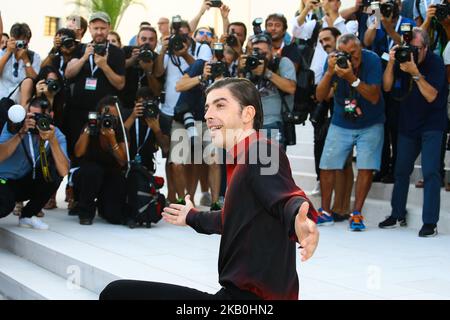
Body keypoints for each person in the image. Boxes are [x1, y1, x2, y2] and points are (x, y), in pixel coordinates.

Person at [100, 78, 319, 301]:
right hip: (237, 297)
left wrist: (302, 221)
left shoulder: (261, 150)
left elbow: (286, 198)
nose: (208, 115)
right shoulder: (243, 156)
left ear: (247, 114)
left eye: (220, 105)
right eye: (207, 107)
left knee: (117, 293)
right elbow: (232, 219)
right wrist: (192, 216)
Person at [379, 28, 448, 237]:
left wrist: (415, 73)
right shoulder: (402, 59)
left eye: (416, 49)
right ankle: (397, 214)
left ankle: (430, 222)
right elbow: (387, 86)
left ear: (426, 48)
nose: (411, 52)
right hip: (408, 124)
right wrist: (392, 62)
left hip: (432, 125)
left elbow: (432, 96)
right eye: (408, 48)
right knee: (400, 171)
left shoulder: (435, 63)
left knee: (430, 172)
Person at [316, 33, 385, 231]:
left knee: (366, 167)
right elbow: (320, 96)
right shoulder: (334, 62)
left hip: (371, 122)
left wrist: (352, 79)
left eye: (353, 53)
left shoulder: (371, 59)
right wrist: (329, 73)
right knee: (327, 165)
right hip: (341, 120)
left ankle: (356, 213)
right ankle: (325, 211)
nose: (350, 58)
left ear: (360, 48)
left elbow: (373, 96)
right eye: (344, 53)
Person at [0, 97, 69, 230]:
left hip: (26, 181)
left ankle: (28, 215)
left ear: (51, 115)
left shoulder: (56, 134)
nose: (37, 121)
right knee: (5, 205)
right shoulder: (15, 126)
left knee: (53, 173)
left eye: (41, 116)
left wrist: (53, 140)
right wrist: (21, 133)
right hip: (4, 181)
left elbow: (64, 171)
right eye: (33, 116)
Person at [64, 11, 126, 159]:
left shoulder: (117, 53)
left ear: (109, 28)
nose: (99, 32)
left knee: (101, 154)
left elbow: (120, 84)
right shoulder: (79, 49)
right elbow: (68, 74)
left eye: (103, 28)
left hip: (104, 114)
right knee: (77, 153)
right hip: (78, 112)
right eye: (96, 28)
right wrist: (85, 57)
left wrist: (104, 66)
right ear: (90, 28)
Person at [71, 96, 129, 226]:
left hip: (111, 174)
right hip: (89, 173)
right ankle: (85, 212)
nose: (108, 119)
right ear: (99, 115)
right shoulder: (91, 126)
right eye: (106, 116)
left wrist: (112, 139)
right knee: (93, 171)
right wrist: (88, 130)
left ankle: (104, 207)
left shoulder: (120, 130)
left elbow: (123, 162)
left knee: (114, 217)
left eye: (113, 117)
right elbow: (78, 153)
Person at [239, 34, 297, 150]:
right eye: (256, 53)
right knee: (249, 166)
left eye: (264, 54)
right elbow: (239, 93)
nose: (261, 57)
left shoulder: (282, 63)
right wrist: (241, 70)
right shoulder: (249, 64)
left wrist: (266, 72)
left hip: (273, 123)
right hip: (249, 124)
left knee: (272, 165)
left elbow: (291, 88)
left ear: (272, 51)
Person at [121, 26, 162, 110]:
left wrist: (149, 71)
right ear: (137, 40)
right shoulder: (127, 51)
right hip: (125, 104)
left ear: (156, 42)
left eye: (151, 40)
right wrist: (132, 60)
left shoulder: (158, 60)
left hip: (148, 106)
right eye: (143, 39)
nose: (147, 43)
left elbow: (157, 92)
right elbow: (116, 70)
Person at [0, 23, 41, 105]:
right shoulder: (3, 53)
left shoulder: (34, 57)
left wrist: (26, 60)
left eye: (22, 41)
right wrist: (8, 53)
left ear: (28, 41)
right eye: (16, 40)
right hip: (2, 100)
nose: (19, 44)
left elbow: (34, 80)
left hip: (21, 104)